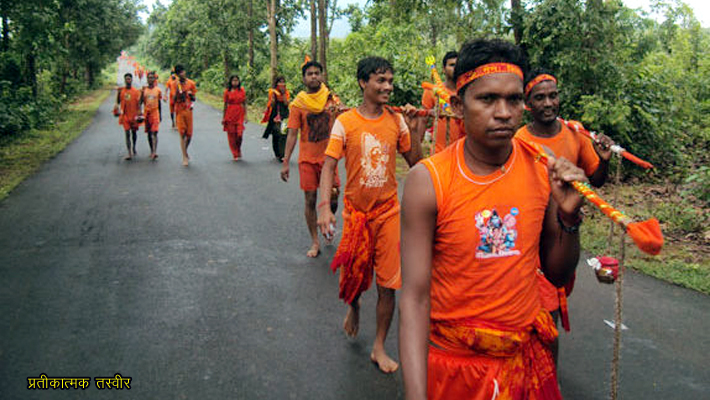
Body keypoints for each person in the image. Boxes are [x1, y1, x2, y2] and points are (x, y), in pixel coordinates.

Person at [399, 38, 588, 399]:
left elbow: (556, 273)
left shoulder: (539, 164)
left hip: (522, 367)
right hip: (453, 370)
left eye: (514, 99)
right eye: (487, 99)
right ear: (458, 104)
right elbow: (415, 297)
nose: (504, 112)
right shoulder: (430, 180)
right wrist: (415, 393)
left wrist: (569, 216)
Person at [317, 56, 424, 373]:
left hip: (389, 212)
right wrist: (325, 207)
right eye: (380, 80)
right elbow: (328, 166)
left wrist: (415, 127)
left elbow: (417, 163)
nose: (388, 87)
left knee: (388, 284)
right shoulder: (345, 122)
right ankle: (354, 306)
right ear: (364, 82)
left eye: (390, 81)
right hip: (355, 215)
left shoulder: (396, 120)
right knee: (354, 277)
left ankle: (379, 346)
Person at [515, 68, 614, 361]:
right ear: (527, 104)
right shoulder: (519, 141)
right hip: (530, 234)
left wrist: (604, 161)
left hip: (563, 232)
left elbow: (594, 181)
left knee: (552, 304)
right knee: (531, 305)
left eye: (553, 96)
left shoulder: (575, 133)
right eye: (540, 98)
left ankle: (545, 377)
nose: (548, 103)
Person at [280, 60, 342, 258]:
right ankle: (315, 240)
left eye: (317, 73)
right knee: (310, 199)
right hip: (307, 159)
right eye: (310, 74)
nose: (314, 76)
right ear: (303, 79)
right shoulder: (298, 104)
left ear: (322, 76)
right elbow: (292, 133)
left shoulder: (332, 99)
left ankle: (329, 220)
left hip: (329, 159)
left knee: (334, 196)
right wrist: (285, 161)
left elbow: (345, 121)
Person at [421, 51, 465, 155]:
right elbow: (422, 120)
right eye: (452, 65)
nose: (455, 68)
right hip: (439, 152)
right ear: (443, 69)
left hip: (463, 153)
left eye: (458, 65)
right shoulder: (432, 92)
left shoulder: (468, 93)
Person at [173, 64, 197, 166]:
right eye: (179, 73)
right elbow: (173, 99)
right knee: (182, 133)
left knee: (189, 135)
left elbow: (194, 99)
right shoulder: (175, 84)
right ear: (177, 75)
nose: (182, 74)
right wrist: (178, 93)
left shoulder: (191, 83)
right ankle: (184, 157)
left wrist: (191, 96)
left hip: (188, 110)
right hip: (179, 110)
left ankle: (185, 151)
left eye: (183, 72)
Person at [261, 76, 290, 161]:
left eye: (283, 82)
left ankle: (282, 154)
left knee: (283, 133)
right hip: (275, 113)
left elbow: (286, 103)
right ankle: (277, 153)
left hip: (284, 113)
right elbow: (272, 104)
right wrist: (274, 96)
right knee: (276, 133)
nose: (282, 84)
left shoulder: (286, 92)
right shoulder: (272, 92)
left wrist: (283, 93)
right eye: (280, 82)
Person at [115, 73, 142, 160]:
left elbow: (139, 104)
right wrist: (116, 108)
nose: (128, 81)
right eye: (126, 79)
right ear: (124, 80)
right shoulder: (121, 91)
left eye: (129, 79)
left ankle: (134, 147)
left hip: (134, 116)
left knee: (134, 133)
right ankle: (129, 152)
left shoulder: (135, 91)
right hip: (125, 116)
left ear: (132, 80)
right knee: (127, 133)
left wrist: (140, 114)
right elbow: (118, 102)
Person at [222, 75, 247, 161]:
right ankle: (235, 153)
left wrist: (246, 116)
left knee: (239, 134)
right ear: (231, 82)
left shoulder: (242, 91)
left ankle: (238, 148)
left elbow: (244, 103)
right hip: (230, 113)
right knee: (231, 134)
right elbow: (225, 105)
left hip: (239, 113)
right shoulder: (227, 92)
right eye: (234, 80)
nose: (235, 82)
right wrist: (223, 117)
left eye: (237, 80)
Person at [141, 71, 162, 160]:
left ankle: (154, 151)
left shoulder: (158, 90)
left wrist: (160, 114)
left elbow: (159, 102)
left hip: (155, 112)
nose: (150, 79)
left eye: (152, 78)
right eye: (149, 78)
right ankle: (151, 150)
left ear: (154, 79)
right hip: (147, 113)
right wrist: (139, 113)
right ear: (147, 79)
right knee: (149, 133)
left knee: (154, 132)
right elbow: (140, 102)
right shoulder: (144, 90)